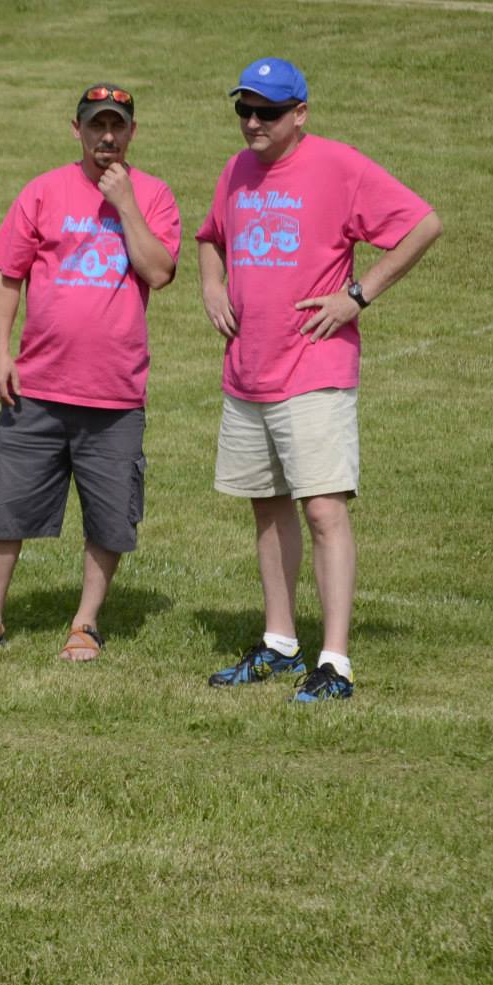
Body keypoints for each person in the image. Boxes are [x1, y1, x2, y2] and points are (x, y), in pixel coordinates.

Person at [196, 58, 441, 702]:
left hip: (313, 366)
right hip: (248, 370)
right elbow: (210, 237)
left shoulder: (338, 166)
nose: (253, 122)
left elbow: (422, 225)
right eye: (244, 110)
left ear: (300, 114)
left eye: (268, 112)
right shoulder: (236, 169)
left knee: (324, 509)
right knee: (267, 505)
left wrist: (358, 296)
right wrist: (212, 285)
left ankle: (335, 662)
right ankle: (280, 643)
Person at [0, 83, 181, 665]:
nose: (107, 136)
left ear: (133, 132)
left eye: (118, 126)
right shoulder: (43, 191)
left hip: (114, 393)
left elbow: (159, 272)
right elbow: (9, 275)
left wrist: (125, 203)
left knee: (109, 515)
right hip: (37, 388)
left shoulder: (153, 195)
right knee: (6, 505)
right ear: (76, 129)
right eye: (97, 125)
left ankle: (85, 624)